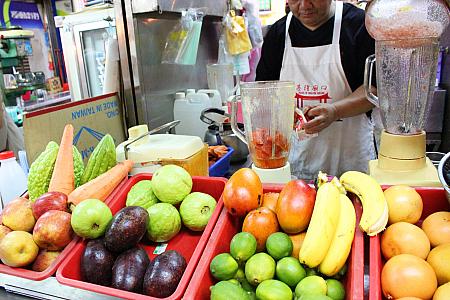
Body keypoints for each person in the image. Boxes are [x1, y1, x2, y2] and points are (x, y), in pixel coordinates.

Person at [256, 0, 376, 180]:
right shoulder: (279, 33)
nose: (304, 5)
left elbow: (374, 90)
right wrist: (282, 114)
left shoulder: (358, 25)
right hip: (299, 162)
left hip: (351, 160)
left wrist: (335, 111)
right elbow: (264, 91)